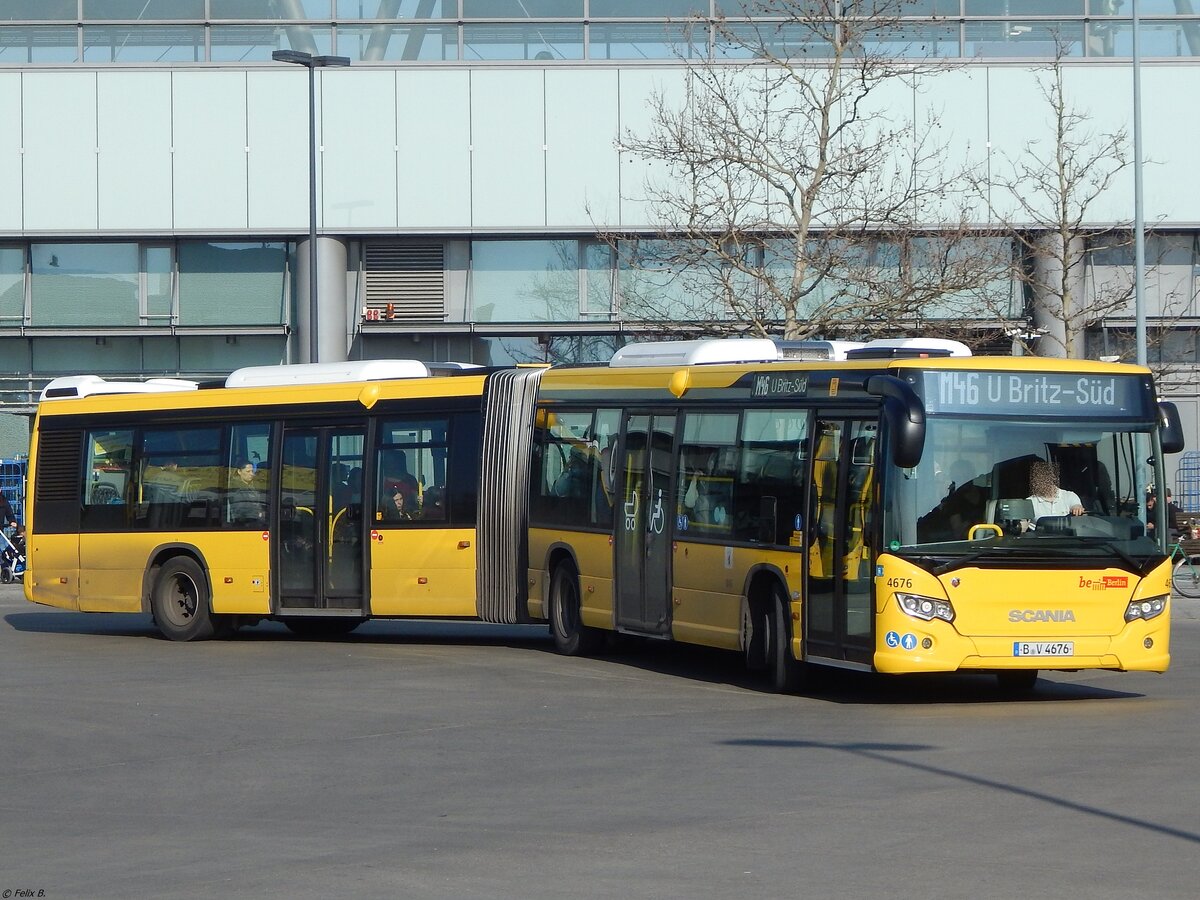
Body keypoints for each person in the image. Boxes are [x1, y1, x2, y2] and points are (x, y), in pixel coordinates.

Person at [1026, 459, 1084, 525]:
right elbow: (1023, 524)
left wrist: (1077, 509)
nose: (1040, 481)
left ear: (1053, 477)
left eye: (1045, 476)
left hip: (1068, 535)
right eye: (1037, 477)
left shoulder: (1069, 496)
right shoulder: (1029, 502)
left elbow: (1076, 506)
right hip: (1039, 535)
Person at [227, 457, 266, 524]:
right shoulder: (236, 488)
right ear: (239, 471)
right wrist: (257, 514)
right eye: (248, 471)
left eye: (252, 471)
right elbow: (240, 512)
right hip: (246, 525)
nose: (252, 474)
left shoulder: (253, 486)